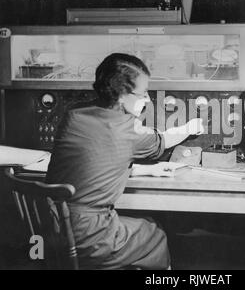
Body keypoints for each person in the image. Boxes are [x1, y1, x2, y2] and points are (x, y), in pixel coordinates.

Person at [46, 53, 204, 269]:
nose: (147, 100)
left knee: (140, 225)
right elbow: (163, 140)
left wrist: (145, 171)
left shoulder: (72, 115)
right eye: (143, 94)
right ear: (121, 95)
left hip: (51, 229)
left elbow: (92, 165)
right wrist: (190, 128)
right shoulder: (128, 128)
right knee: (155, 232)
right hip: (90, 236)